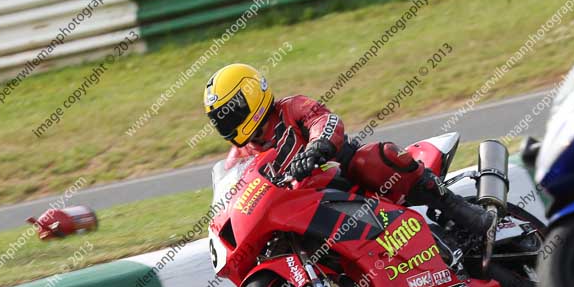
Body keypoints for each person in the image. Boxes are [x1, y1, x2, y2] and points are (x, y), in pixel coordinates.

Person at [203, 63, 494, 235]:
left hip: (344, 177)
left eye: (229, 113)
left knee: (375, 158)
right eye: (219, 119)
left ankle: (455, 206)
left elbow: (325, 121)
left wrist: (316, 148)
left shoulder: (290, 108)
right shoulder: (239, 156)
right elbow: (230, 197)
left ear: (250, 96)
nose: (226, 124)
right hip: (300, 206)